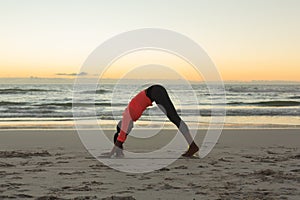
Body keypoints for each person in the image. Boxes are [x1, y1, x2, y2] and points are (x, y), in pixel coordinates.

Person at [104, 84, 199, 158]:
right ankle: (192, 145)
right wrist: (119, 150)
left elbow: (120, 138)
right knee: (174, 118)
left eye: (128, 129)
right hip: (155, 92)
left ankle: (193, 146)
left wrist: (111, 153)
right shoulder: (128, 117)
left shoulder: (126, 118)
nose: (130, 129)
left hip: (155, 92)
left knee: (174, 118)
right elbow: (121, 138)